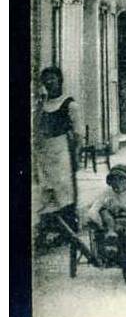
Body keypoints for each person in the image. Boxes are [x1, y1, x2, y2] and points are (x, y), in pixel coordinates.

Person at [34, 66, 82, 240]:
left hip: (62, 151)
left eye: (52, 78)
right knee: (46, 190)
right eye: (46, 79)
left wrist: (76, 155)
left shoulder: (70, 104)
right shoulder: (42, 105)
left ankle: (68, 229)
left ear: (59, 80)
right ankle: (48, 228)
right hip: (44, 152)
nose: (49, 82)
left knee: (64, 190)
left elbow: (78, 133)